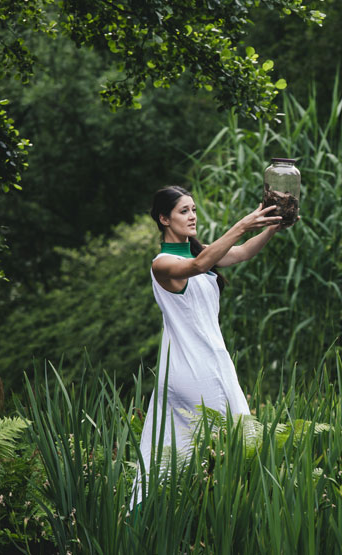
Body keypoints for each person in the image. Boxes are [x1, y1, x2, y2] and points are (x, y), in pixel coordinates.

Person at [134, 185, 282, 502]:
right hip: (189, 369)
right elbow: (198, 267)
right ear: (163, 218)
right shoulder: (162, 263)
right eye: (183, 211)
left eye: (194, 210)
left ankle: (213, 517)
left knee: (238, 443)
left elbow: (242, 252)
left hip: (217, 363)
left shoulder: (200, 252)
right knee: (217, 449)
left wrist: (272, 227)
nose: (192, 216)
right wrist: (242, 225)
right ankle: (185, 515)